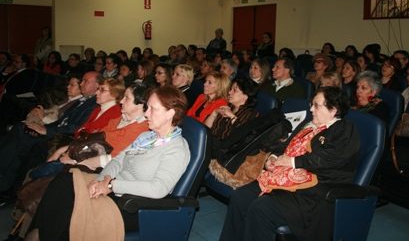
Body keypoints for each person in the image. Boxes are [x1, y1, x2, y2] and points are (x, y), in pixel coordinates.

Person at [26, 86, 191, 240]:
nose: (146, 114)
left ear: (170, 113)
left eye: (152, 109)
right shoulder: (146, 137)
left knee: (73, 209)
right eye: (146, 108)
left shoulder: (176, 149)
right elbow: (118, 160)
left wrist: (112, 185)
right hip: (112, 186)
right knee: (63, 181)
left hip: (133, 205)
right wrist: (101, 180)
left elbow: (158, 189)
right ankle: (35, 234)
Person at [219, 87, 360, 241]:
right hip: (282, 179)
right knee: (240, 196)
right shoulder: (309, 124)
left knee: (261, 209)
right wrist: (273, 157)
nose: (311, 109)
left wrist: (292, 162)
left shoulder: (343, 129)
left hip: (310, 191)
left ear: (333, 110)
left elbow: (329, 159)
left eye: (316, 105)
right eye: (311, 104)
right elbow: (286, 146)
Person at [0, 71, 100, 195]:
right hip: (57, 132)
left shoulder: (94, 104)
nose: (81, 84)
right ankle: (5, 181)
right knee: (21, 128)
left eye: (85, 81)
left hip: (63, 138)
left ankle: (7, 184)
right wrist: (43, 126)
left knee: (21, 134)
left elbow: (75, 128)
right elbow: (61, 121)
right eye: (82, 81)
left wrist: (46, 130)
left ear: (97, 85)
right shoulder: (84, 101)